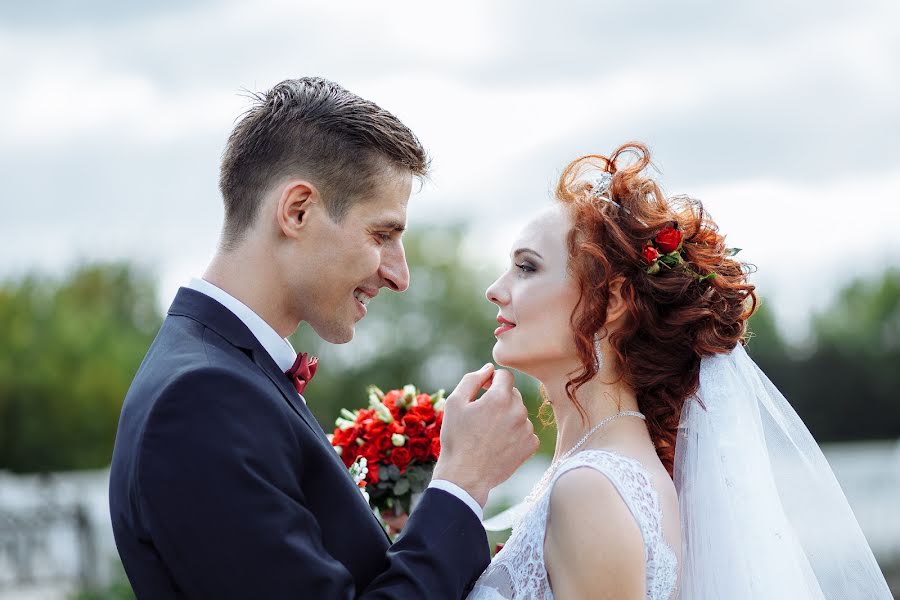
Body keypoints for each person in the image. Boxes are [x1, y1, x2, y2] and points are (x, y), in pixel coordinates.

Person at [108, 77, 539, 599]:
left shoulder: (224, 375)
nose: (399, 276)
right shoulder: (200, 399)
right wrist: (462, 483)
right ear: (298, 211)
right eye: (381, 235)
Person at [467, 142, 892, 599]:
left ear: (610, 302)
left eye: (527, 267)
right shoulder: (594, 473)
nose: (495, 290)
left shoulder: (591, 488)